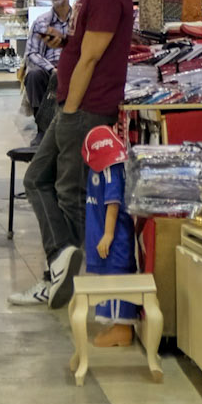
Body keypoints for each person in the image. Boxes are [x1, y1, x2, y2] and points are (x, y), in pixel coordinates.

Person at [9, 0, 135, 312]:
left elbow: (93, 57)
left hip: (85, 108)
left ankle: (86, 279)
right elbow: (85, 46)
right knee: (36, 179)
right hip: (73, 105)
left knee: (69, 192)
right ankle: (61, 261)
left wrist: (70, 110)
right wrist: (64, 42)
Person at [81, 126, 138, 347]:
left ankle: (122, 329)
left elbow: (112, 202)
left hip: (115, 242)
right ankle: (116, 325)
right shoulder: (109, 166)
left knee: (116, 279)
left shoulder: (110, 169)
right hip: (105, 236)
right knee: (108, 279)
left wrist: (108, 234)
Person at [21, 0, 72, 135]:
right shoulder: (41, 22)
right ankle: (42, 128)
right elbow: (32, 52)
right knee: (34, 76)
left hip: (75, 67)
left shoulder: (79, 19)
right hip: (50, 69)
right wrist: (52, 69)